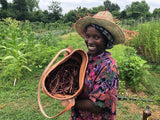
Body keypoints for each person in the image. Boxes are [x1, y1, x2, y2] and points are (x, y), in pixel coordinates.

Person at [62, 10, 125, 120]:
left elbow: (98, 106)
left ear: (106, 41)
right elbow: (74, 83)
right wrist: (70, 62)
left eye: (96, 37)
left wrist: (72, 102)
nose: (89, 41)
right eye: (87, 36)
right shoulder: (85, 58)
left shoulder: (109, 67)